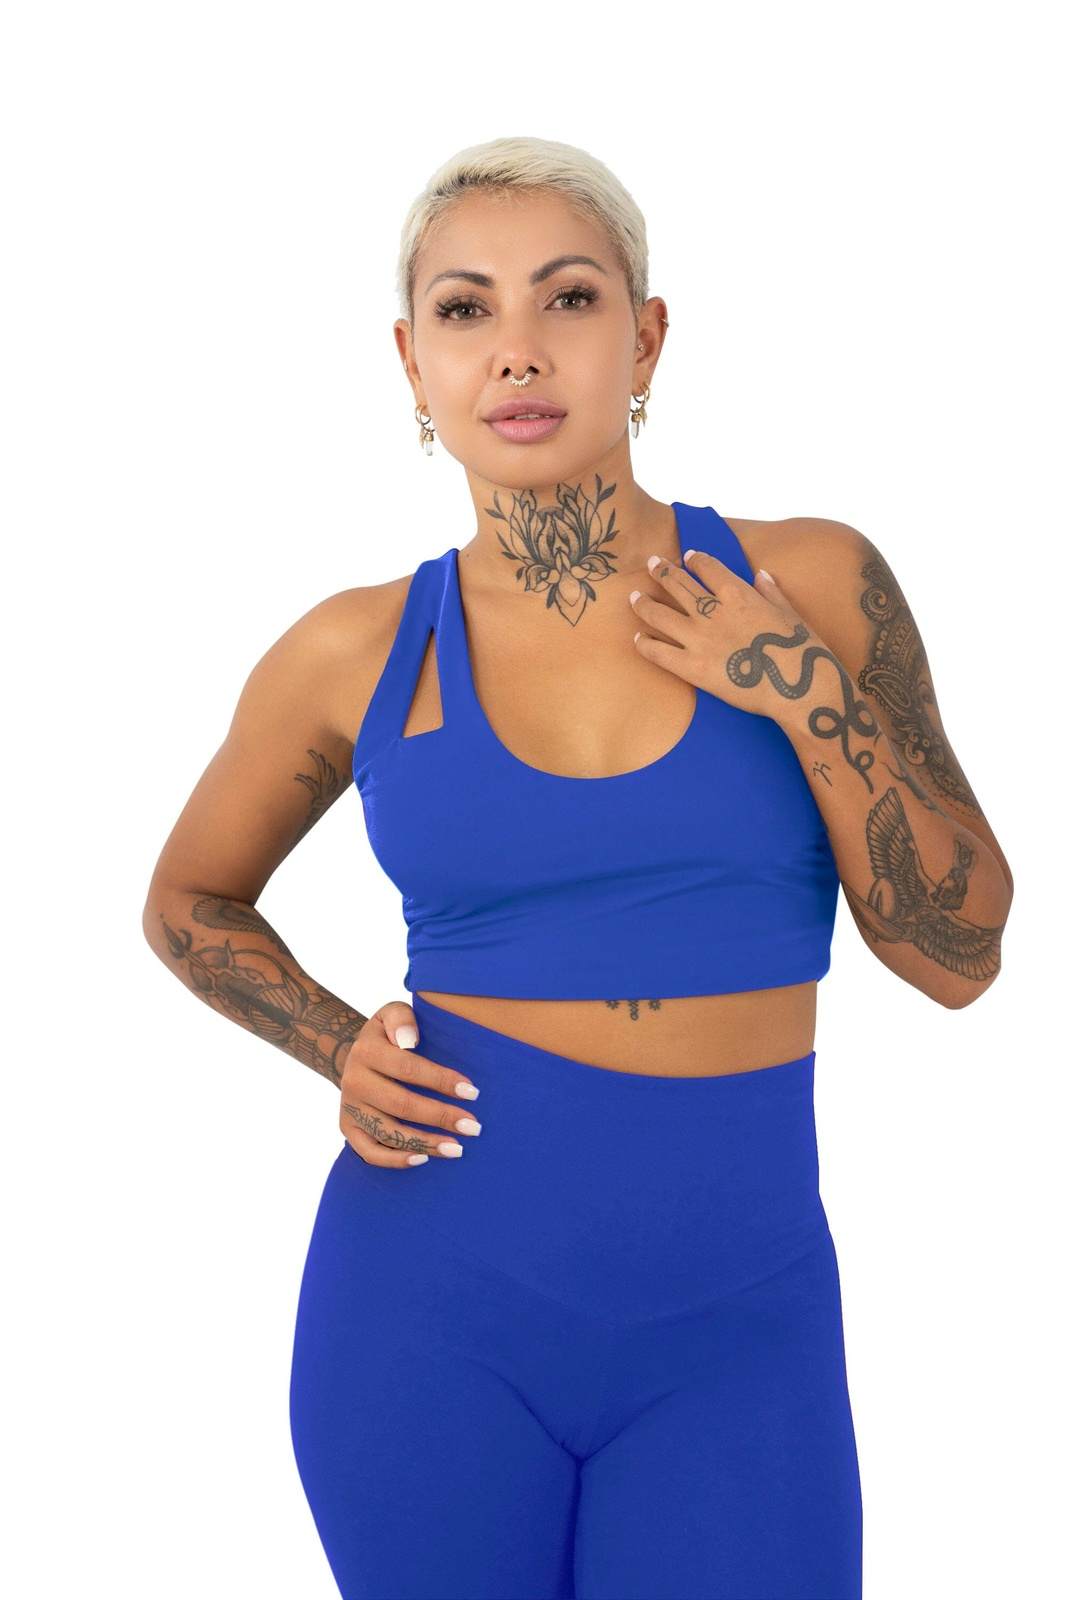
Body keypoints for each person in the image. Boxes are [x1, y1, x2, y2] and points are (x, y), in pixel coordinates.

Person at [142, 134, 1014, 1600]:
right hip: (429, 1314)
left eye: (569, 297)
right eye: (464, 310)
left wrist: (805, 690)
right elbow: (187, 899)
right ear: (412, 364)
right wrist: (338, 1045)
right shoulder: (356, 652)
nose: (518, 350)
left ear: (646, 337)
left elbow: (960, 957)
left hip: (739, 1327)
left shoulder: (808, 581)